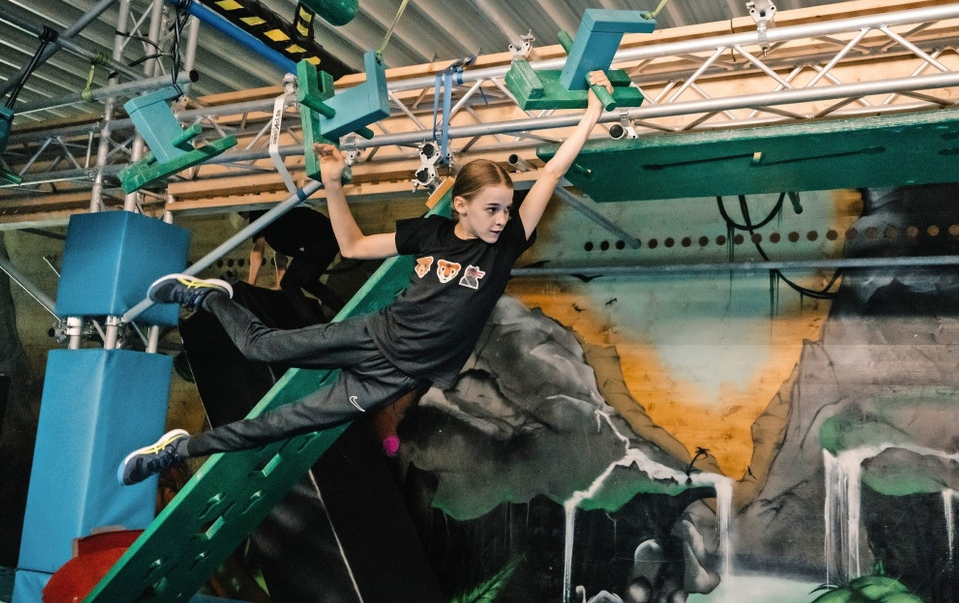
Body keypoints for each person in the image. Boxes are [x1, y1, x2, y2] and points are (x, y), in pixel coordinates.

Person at [118, 71, 614, 485]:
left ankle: (179, 449)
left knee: (281, 423)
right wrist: (333, 185)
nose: (503, 219)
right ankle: (209, 299)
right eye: (492, 209)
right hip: (372, 335)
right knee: (259, 348)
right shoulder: (431, 234)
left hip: (394, 378)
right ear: (461, 205)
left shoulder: (505, 247)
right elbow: (354, 246)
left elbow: (550, 174)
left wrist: (592, 112)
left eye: (507, 208)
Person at [241, 206, 347, 312]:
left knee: (289, 284)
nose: (238, 212)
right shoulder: (272, 221)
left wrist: (250, 285)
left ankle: (312, 320)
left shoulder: (258, 214)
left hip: (320, 239)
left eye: (239, 209)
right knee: (308, 282)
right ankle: (344, 310)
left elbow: (257, 251)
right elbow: (279, 253)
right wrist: (279, 281)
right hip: (328, 235)